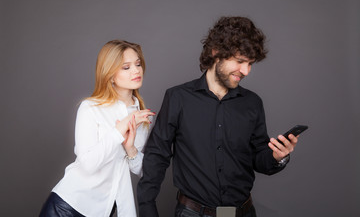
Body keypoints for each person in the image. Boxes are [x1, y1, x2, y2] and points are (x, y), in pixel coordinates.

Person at [137, 17, 300, 217]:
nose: (246, 71)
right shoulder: (178, 98)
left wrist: (278, 156)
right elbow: (157, 155)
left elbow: (260, 159)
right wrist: (146, 208)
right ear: (216, 52)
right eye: (240, 61)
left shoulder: (253, 103)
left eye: (250, 64)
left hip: (243, 212)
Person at [40, 40, 155, 217]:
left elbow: (142, 171)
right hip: (68, 207)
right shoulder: (90, 108)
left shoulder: (142, 117)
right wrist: (119, 130)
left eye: (138, 64)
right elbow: (88, 164)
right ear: (110, 74)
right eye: (126, 67)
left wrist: (130, 149)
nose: (136, 70)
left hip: (105, 210)